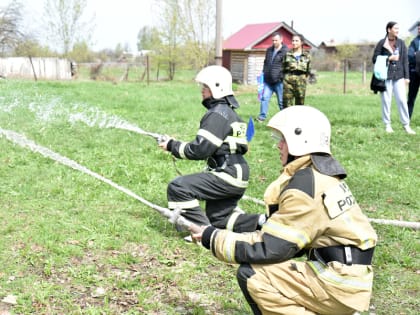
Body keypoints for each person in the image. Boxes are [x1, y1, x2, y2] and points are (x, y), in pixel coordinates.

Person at [190, 105, 377, 315]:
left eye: (283, 139)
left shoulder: (306, 186)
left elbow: (271, 248)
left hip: (337, 284)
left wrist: (212, 237)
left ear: (301, 139)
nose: (278, 145)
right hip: (349, 280)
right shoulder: (323, 176)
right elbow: (288, 241)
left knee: (253, 274)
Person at [158, 65, 264, 237]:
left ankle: (203, 234)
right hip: (237, 173)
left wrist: (172, 146)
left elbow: (201, 149)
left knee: (178, 187)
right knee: (219, 219)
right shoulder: (229, 113)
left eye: (205, 87)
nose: (202, 91)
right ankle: (264, 222)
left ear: (217, 87)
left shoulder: (217, 114)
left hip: (227, 174)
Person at [372, 21, 415, 134]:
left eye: (398, 29)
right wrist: (389, 58)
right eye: (395, 28)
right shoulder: (381, 43)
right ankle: (387, 125)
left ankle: (406, 125)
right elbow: (374, 59)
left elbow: (405, 60)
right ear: (389, 29)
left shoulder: (401, 43)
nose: (397, 30)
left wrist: (407, 77)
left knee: (402, 100)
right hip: (386, 77)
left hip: (399, 76)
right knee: (386, 101)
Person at [256, 32, 288, 122]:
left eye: (276, 40)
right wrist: (263, 73)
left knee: (281, 102)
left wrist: (281, 77)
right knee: (264, 98)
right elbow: (266, 62)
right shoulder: (269, 50)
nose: (274, 42)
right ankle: (262, 117)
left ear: (281, 40)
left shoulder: (285, 51)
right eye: (273, 40)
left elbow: (287, 66)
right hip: (268, 81)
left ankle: (285, 119)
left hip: (279, 82)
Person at [282, 34, 312, 107]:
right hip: (288, 81)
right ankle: (288, 118)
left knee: (300, 103)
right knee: (287, 104)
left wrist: (303, 78)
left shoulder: (307, 55)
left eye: (296, 41)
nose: (294, 42)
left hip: (301, 81)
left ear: (301, 42)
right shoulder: (287, 54)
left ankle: (298, 118)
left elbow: (308, 70)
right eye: (293, 41)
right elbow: (283, 68)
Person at [407, 21, 420, 118]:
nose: (419, 30)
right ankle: (407, 120)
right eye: (418, 29)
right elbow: (410, 55)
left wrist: (417, 54)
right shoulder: (414, 42)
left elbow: (415, 55)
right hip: (414, 73)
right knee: (411, 97)